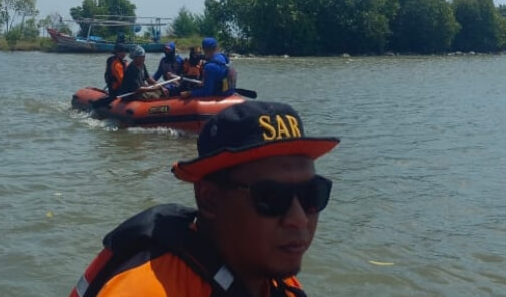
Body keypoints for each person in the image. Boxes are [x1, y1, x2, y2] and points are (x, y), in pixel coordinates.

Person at [70, 101, 340, 297]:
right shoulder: (147, 290)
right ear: (209, 199)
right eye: (271, 197)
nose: (299, 219)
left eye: (311, 194)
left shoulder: (276, 282)